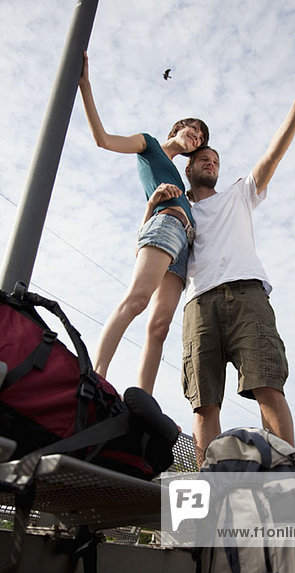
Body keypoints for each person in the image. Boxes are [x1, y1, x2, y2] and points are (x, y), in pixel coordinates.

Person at [181, 60, 295, 465]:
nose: (211, 163)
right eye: (203, 159)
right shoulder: (179, 207)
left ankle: (288, 476)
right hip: (199, 305)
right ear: (189, 167)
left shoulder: (240, 192)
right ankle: (212, 485)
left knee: (267, 385)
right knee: (204, 402)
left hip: (247, 295)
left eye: (215, 159)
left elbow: (273, 153)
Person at [78, 52, 209, 394]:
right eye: (192, 128)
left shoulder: (181, 179)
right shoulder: (149, 145)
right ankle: (96, 376)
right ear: (177, 128)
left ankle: (143, 401)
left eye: (200, 137)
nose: (195, 135)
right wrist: (85, 86)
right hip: (165, 227)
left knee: (160, 326)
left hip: (184, 244)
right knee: (136, 300)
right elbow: (102, 139)